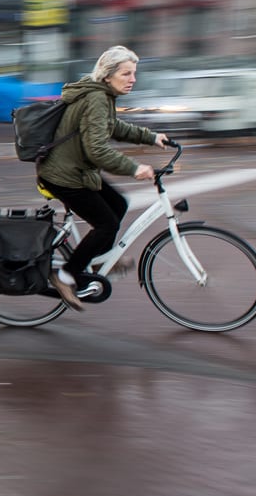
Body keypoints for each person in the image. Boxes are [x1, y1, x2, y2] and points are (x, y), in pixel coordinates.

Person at [36, 46, 169, 311]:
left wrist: (151, 137)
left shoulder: (101, 95)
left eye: (134, 73)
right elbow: (96, 150)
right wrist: (133, 168)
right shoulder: (96, 98)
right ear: (108, 75)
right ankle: (65, 276)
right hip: (63, 175)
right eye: (126, 74)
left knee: (118, 204)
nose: (132, 79)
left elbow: (113, 127)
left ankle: (97, 261)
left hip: (75, 170)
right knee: (106, 224)